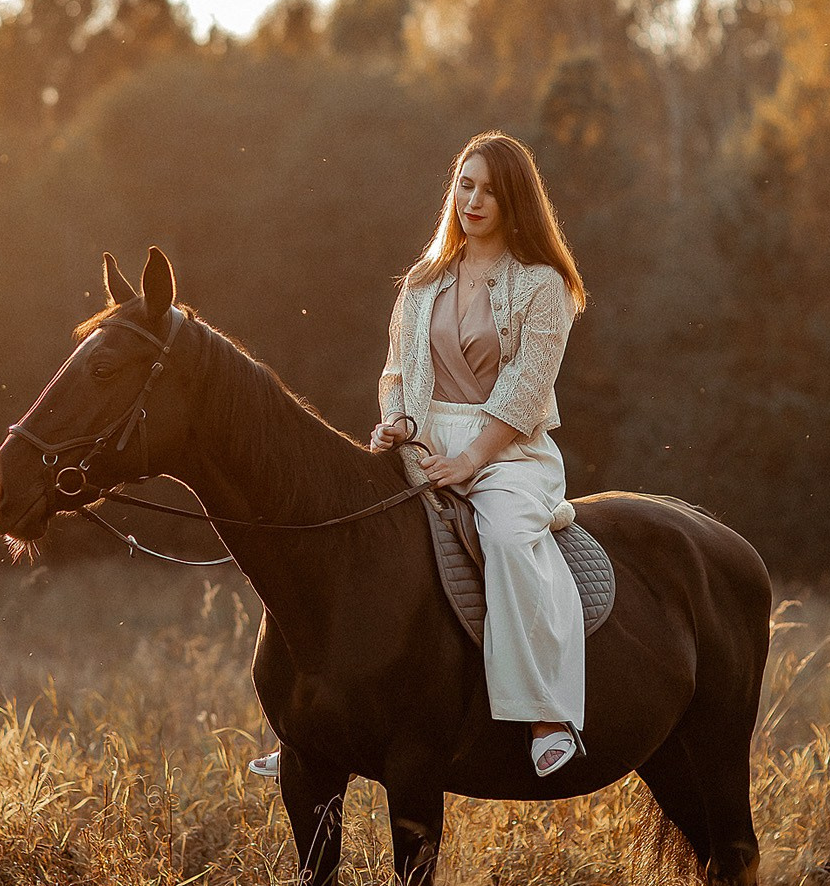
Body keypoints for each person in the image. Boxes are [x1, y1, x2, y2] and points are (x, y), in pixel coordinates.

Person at [250, 130, 588, 783]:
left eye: (490, 189)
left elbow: (526, 386)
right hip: (426, 445)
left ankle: (546, 711)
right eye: (465, 184)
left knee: (511, 541)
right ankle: (307, 728)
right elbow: (399, 375)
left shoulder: (544, 286)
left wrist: (473, 461)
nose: (474, 200)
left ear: (516, 200)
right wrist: (398, 425)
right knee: (339, 532)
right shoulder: (423, 282)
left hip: (509, 453)